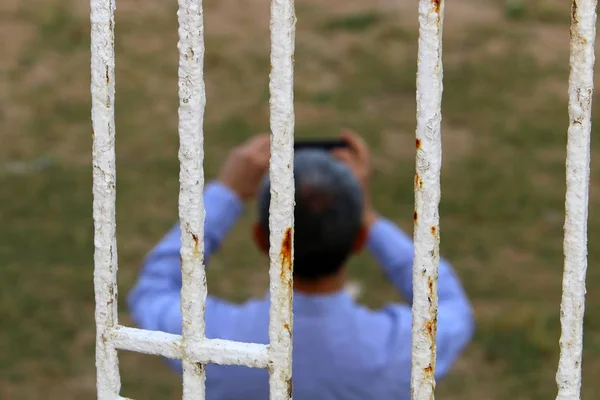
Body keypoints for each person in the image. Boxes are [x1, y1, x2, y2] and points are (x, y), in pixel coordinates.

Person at [127, 131, 474, 399]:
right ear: (358, 241)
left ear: (262, 241)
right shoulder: (399, 352)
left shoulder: (216, 344)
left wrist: (226, 194)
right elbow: (449, 303)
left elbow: (154, 289)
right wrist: (367, 218)